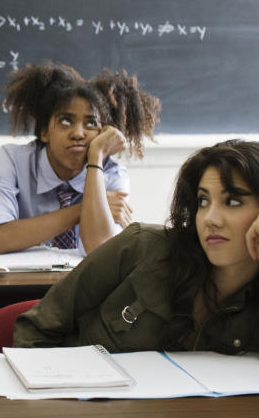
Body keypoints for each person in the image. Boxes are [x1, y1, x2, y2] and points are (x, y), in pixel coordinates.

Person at [14, 139, 259, 352]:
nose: (210, 219)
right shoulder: (141, 246)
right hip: (87, 399)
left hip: (187, 407)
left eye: (233, 202)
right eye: (203, 201)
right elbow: (36, 329)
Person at [0, 61, 160, 255]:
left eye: (91, 123)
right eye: (66, 121)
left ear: (103, 133)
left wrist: (96, 158)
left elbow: (99, 250)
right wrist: (80, 210)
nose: (78, 133)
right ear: (44, 132)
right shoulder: (13, 160)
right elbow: (0, 238)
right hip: (20, 283)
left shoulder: (112, 174)